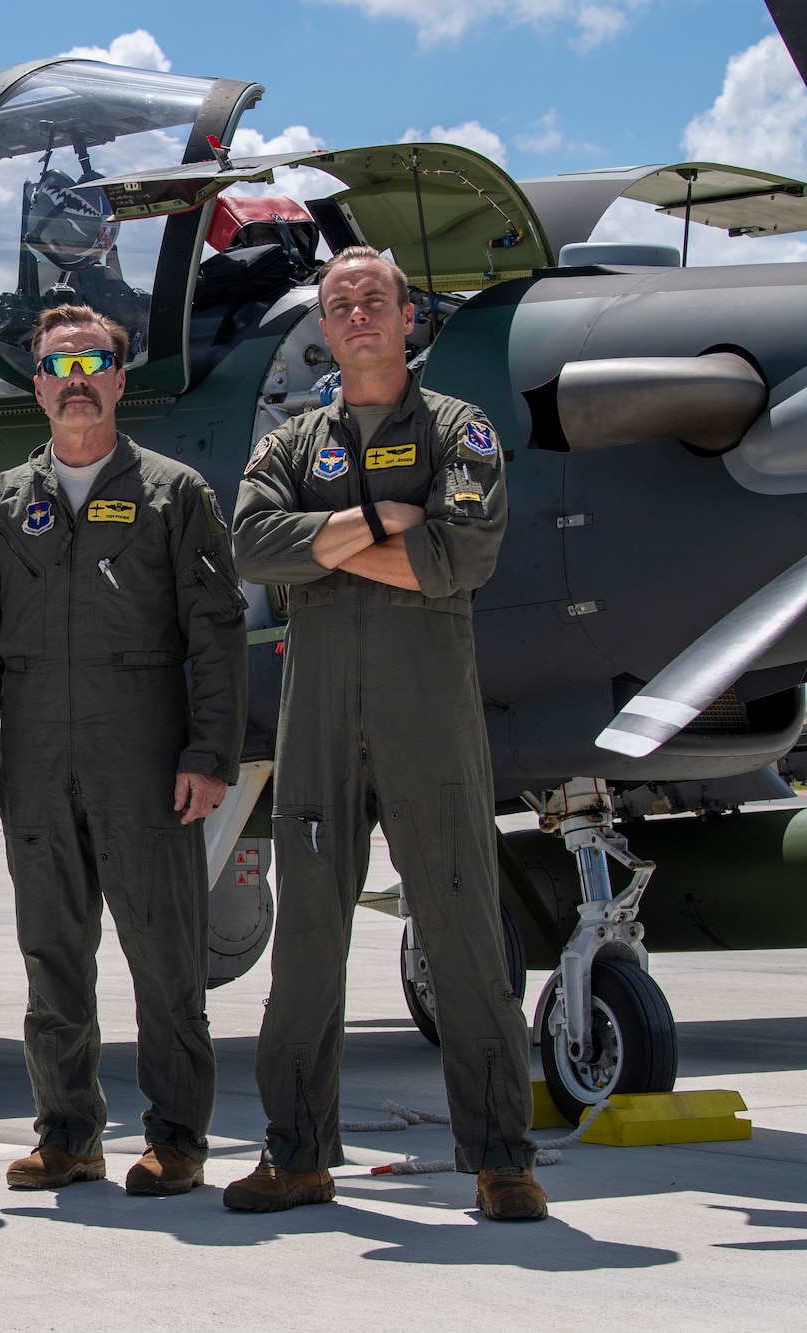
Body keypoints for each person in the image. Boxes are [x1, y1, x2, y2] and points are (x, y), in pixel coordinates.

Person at [228, 246, 544, 1222]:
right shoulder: (289, 442)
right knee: (307, 949)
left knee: (462, 938)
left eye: (373, 299)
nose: (355, 314)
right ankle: (295, 1154)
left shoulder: (458, 431)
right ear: (322, 326)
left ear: (408, 318)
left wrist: (325, 546)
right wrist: (376, 518)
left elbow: (456, 558)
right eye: (338, 302)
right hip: (317, 721)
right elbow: (248, 542)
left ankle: (499, 1160)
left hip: (426, 726)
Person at [0, 304, 247, 1196]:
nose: (76, 379)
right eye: (58, 365)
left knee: (165, 954)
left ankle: (178, 1139)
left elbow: (215, 635)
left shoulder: (175, 494)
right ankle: (68, 1133)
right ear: (39, 387)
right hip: (35, 755)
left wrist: (209, 752)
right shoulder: (3, 504)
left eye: (93, 362)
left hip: (143, 753)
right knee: (52, 951)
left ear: (117, 379)